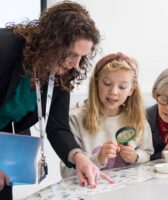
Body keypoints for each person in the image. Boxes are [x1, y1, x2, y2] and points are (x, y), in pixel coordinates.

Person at [0, 1, 112, 199]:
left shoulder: (61, 73)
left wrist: (79, 157)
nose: (75, 64)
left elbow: (57, 127)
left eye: (81, 57)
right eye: (71, 54)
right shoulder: (5, 48)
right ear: (50, 42)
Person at [61, 52, 154, 177]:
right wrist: (97, 159)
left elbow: (147, 153)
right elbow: (66, 172)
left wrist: (135, 156)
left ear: (131, 89)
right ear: (96, 83)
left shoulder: (138, 119)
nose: (113, 91)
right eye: (107, 83)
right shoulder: (76, 119)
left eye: (122, 86)